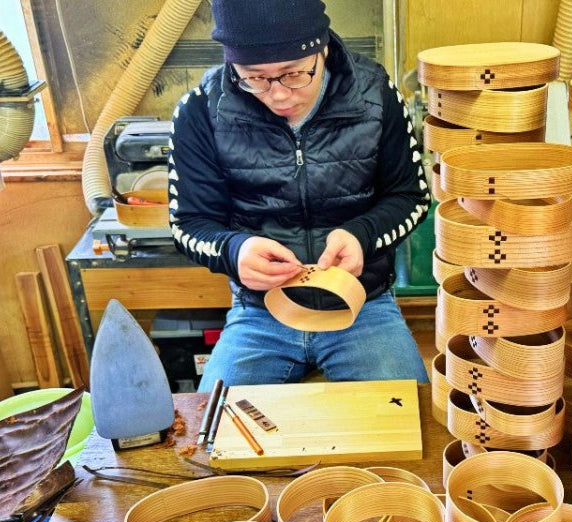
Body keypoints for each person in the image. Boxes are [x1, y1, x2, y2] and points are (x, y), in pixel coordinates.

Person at [168, 0, 431, 391]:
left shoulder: (375, 93)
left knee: (411, 428)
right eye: (254, 77)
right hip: (259, 313)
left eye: (294, 74)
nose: (278, 95)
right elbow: (188, 223)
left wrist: (363, 235)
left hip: (363, 303)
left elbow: (410, 196)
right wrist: (235, 250)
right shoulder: (201, 110)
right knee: (215, 438)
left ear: (322, 47)